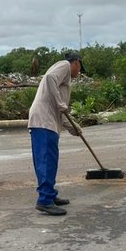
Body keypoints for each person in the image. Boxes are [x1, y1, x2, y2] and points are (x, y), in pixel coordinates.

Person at [28, 52, 84, 216]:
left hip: (49, 122)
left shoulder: (63, 81)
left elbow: (61, 112)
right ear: (76, 63)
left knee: (50, 161)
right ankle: (45, 200)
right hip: (43, 121)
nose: (78, 72)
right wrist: (61, 104)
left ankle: (49, 195)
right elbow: (49, 78)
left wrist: (74, 128)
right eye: (79, 68)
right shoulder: (64, 66)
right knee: (46, 161)